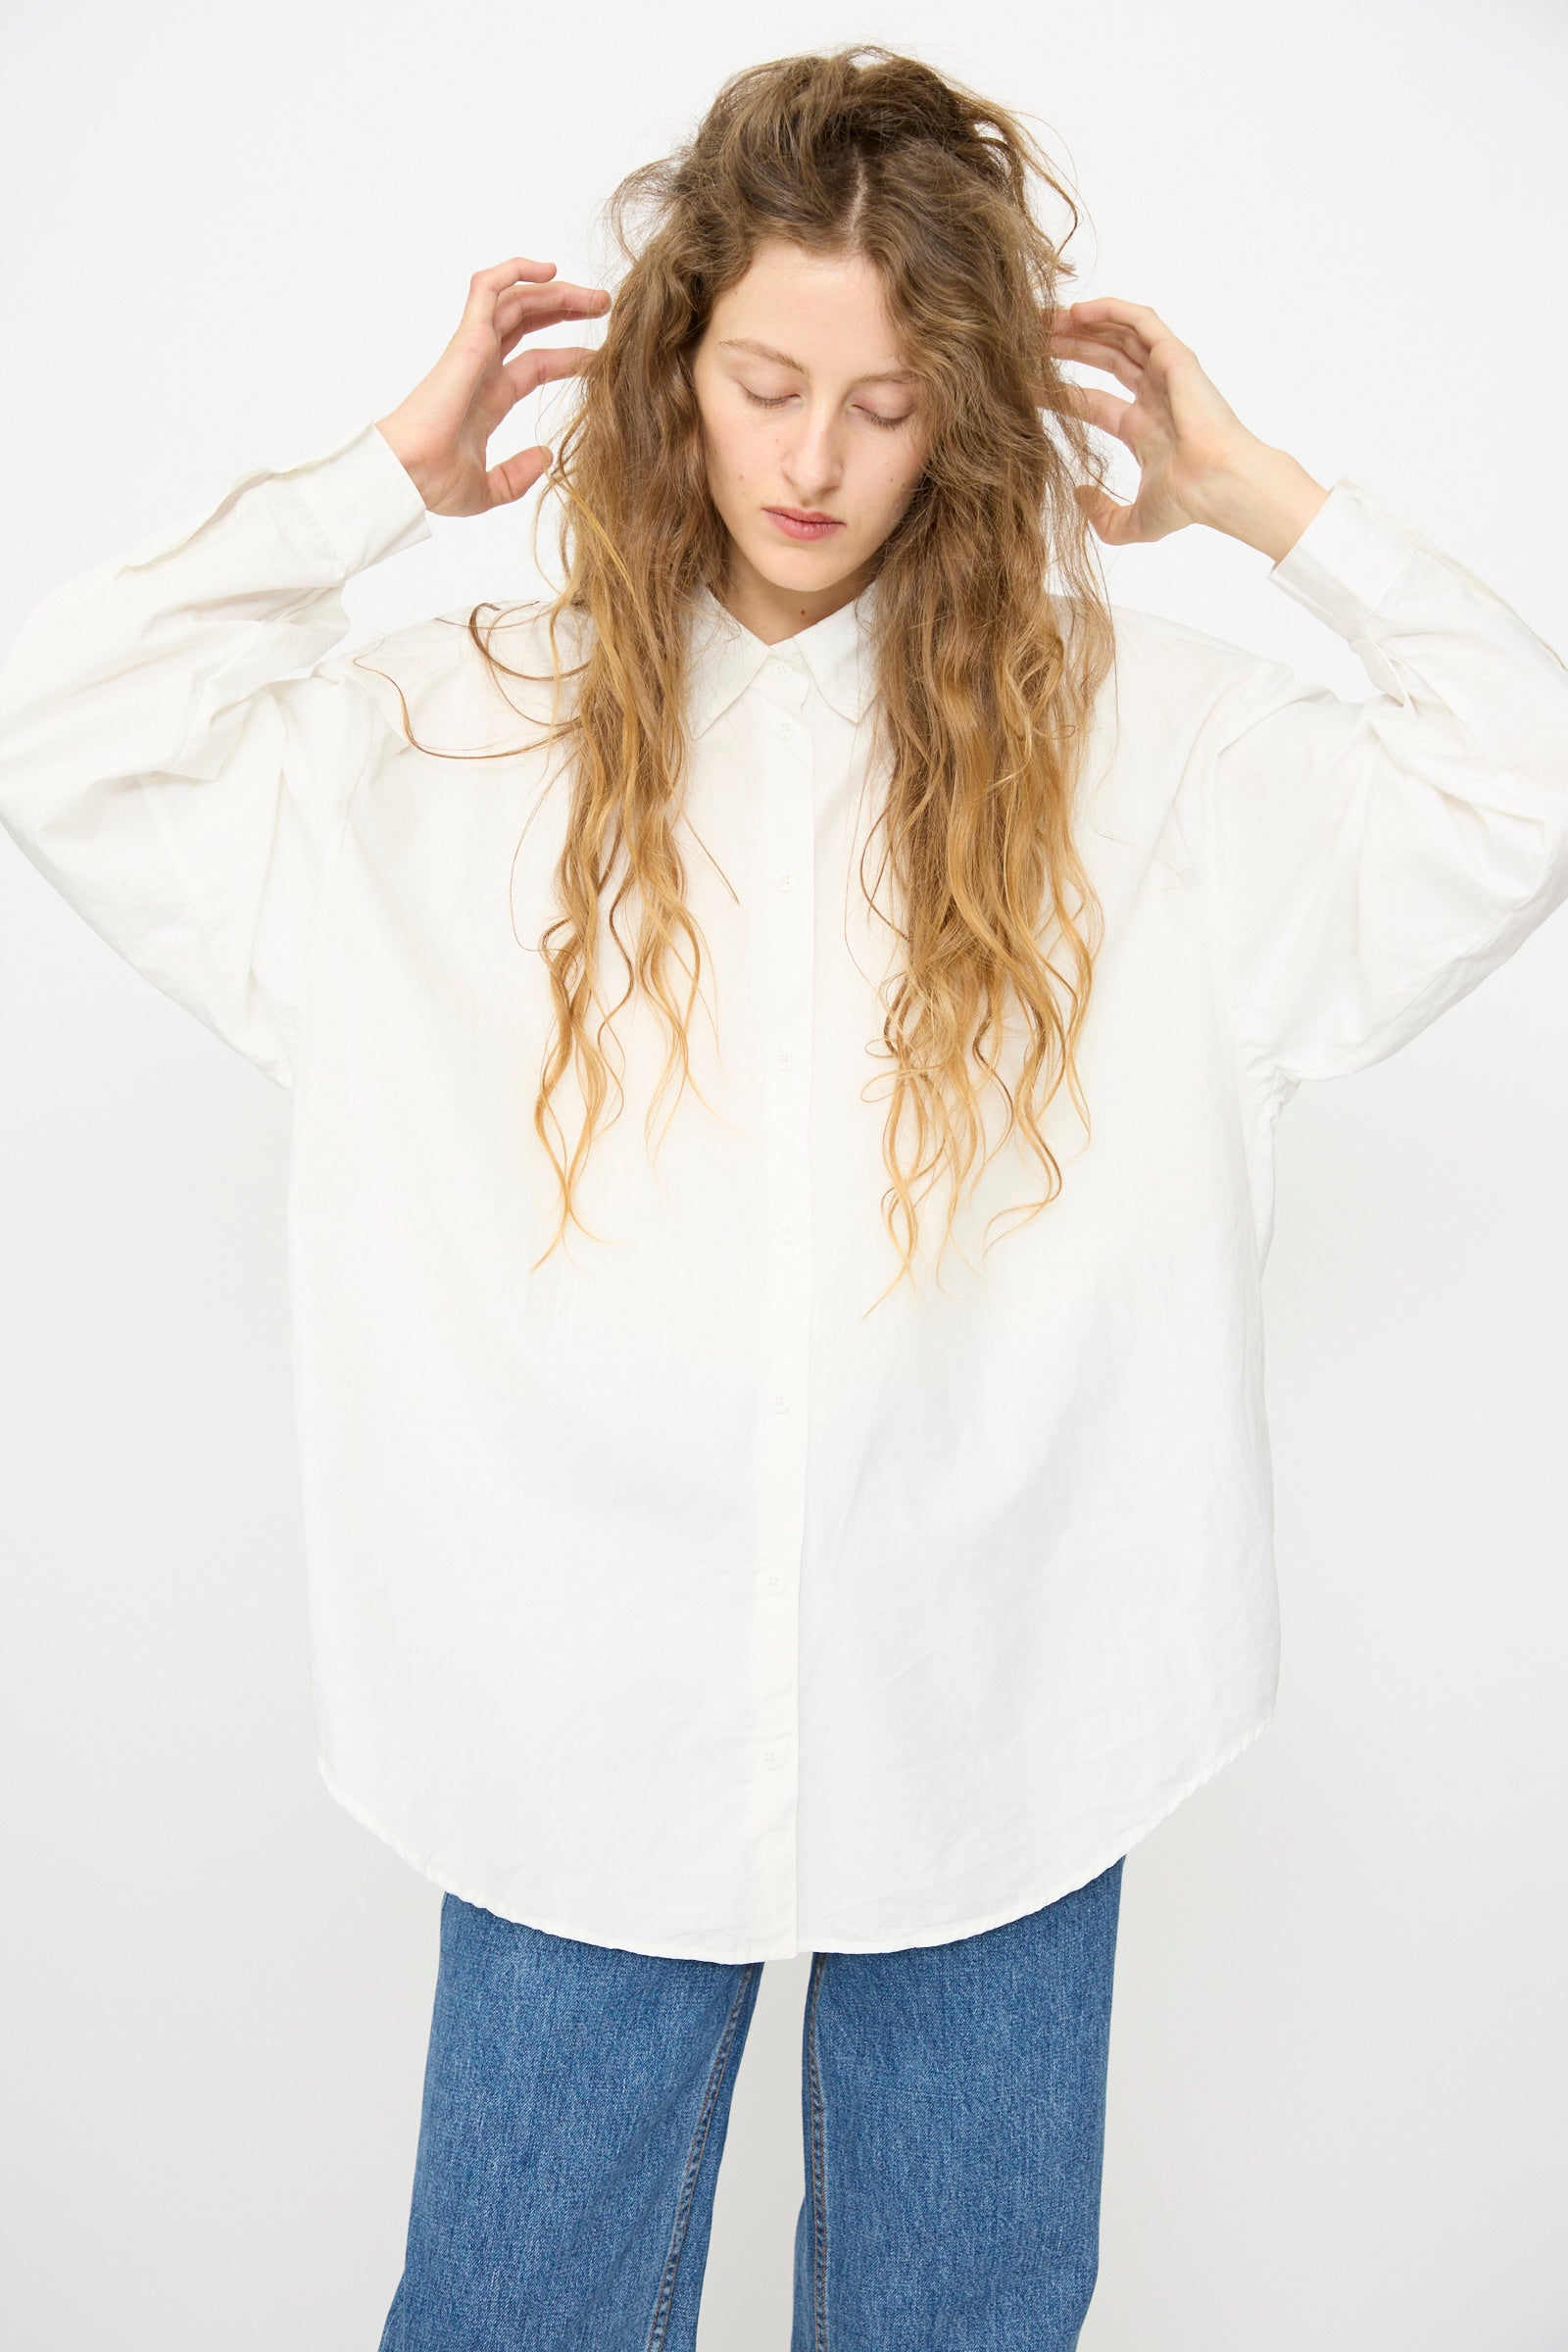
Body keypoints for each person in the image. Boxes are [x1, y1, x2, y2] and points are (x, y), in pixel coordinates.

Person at [2, 40, 1565, 2352]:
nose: (812, 463)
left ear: (968, 421)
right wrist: (373, 490)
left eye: (885, 404)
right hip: (579, 1714)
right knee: (510, 2313)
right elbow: (67, 730)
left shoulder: (1145, 747)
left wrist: (1262, 504)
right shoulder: (460, 732)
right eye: (761, 385)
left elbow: (1519, 786)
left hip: (1004, 1700)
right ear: (670, 372)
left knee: (961, 2325)